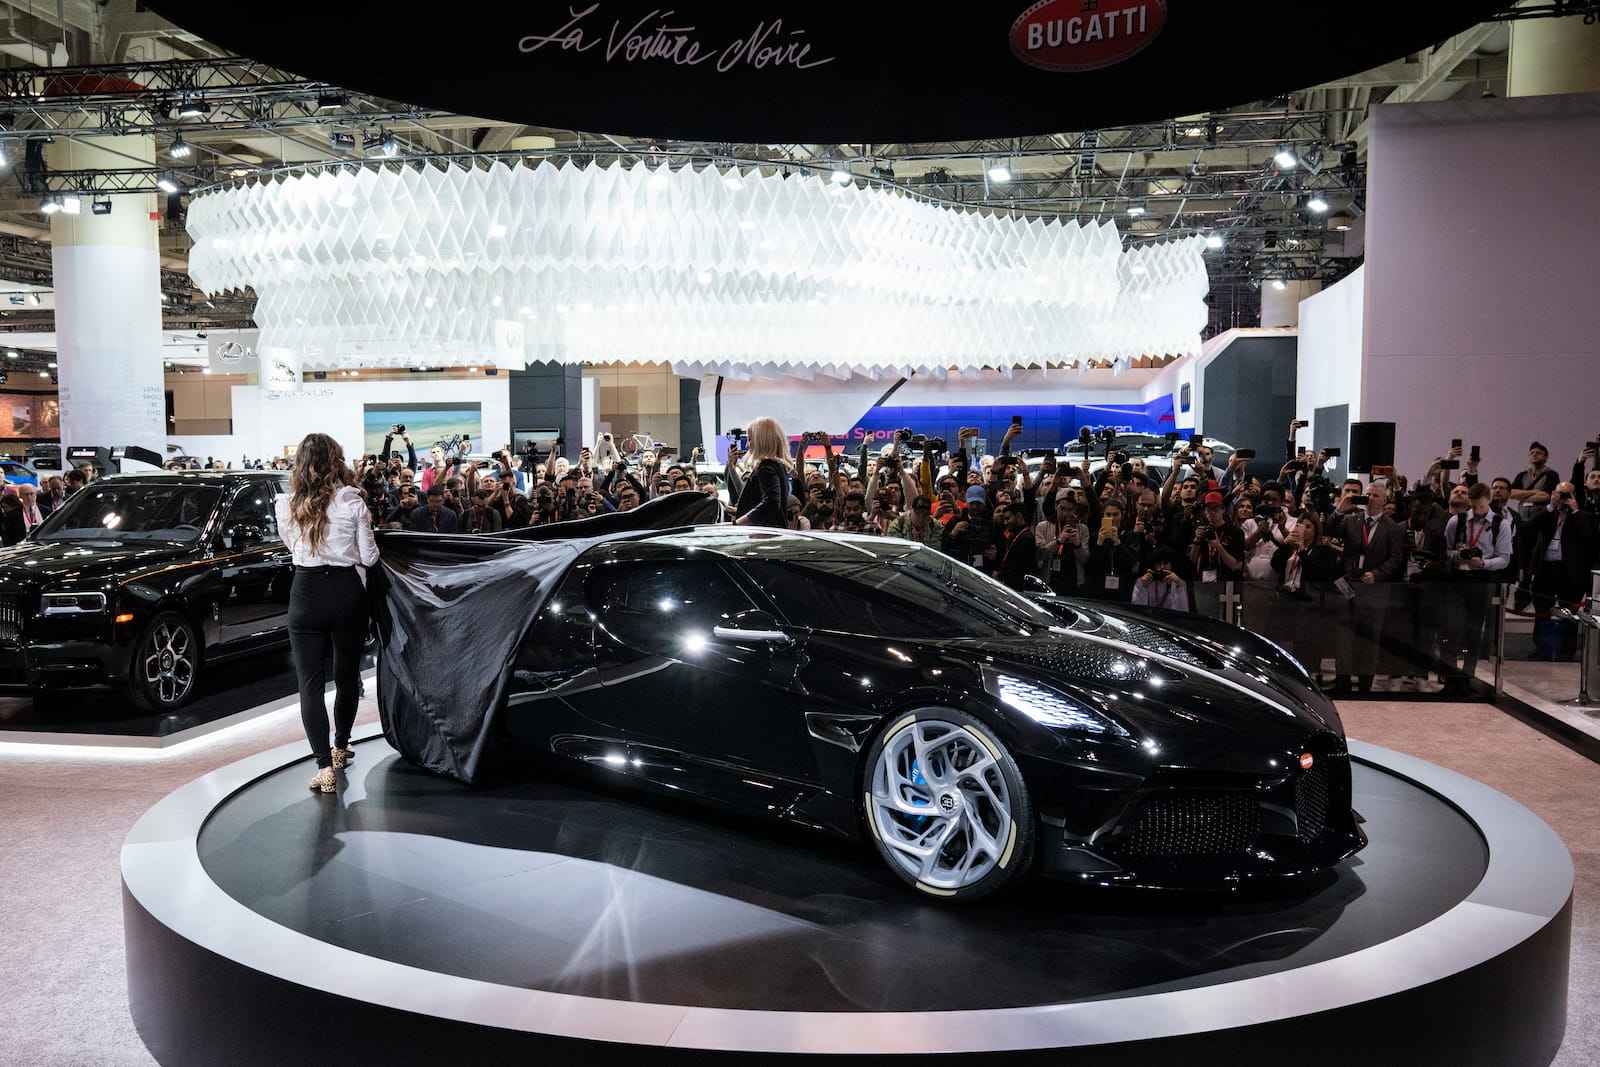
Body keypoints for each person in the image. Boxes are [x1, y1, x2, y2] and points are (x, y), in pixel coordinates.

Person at [274, 433, 379, 794]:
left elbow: (293, 548)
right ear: (336, 460)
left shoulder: (285, 504)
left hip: (305, 593)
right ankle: (341, 745)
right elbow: (369, 557)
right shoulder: (351, 499)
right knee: (347, 676)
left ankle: (323, 768)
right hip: (347, 593)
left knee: (310, 685)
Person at [732, 417, 793, 528]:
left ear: (761, 440)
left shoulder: (766, 466)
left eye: (750, 439)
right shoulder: (777, 466)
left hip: (763, 537)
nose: (747, 446)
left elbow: (771, 502)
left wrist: (737, 523)